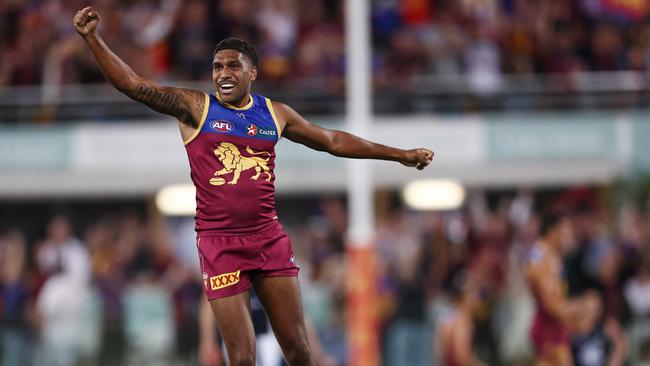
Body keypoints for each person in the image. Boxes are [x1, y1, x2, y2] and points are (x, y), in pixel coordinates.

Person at [73, 6, 433, 366]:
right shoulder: (196, 108)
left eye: (233, 66)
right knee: (242, 357)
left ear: (253, 73)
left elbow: (333, 140)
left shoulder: (275, 114)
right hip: (219, 244)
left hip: (268, 238)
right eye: (217, 66)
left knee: (298, 350)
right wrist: (93, 38)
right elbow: (133, 85)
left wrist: (398, 155)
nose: (223, 73)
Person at [525, 213, 582, 366]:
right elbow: (550, 304)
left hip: (554, 326)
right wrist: (577, 309)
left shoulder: (551, 255)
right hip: (548, 329)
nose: (570, 235)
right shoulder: (541, 257)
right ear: (553, 231)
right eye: (566, 230)